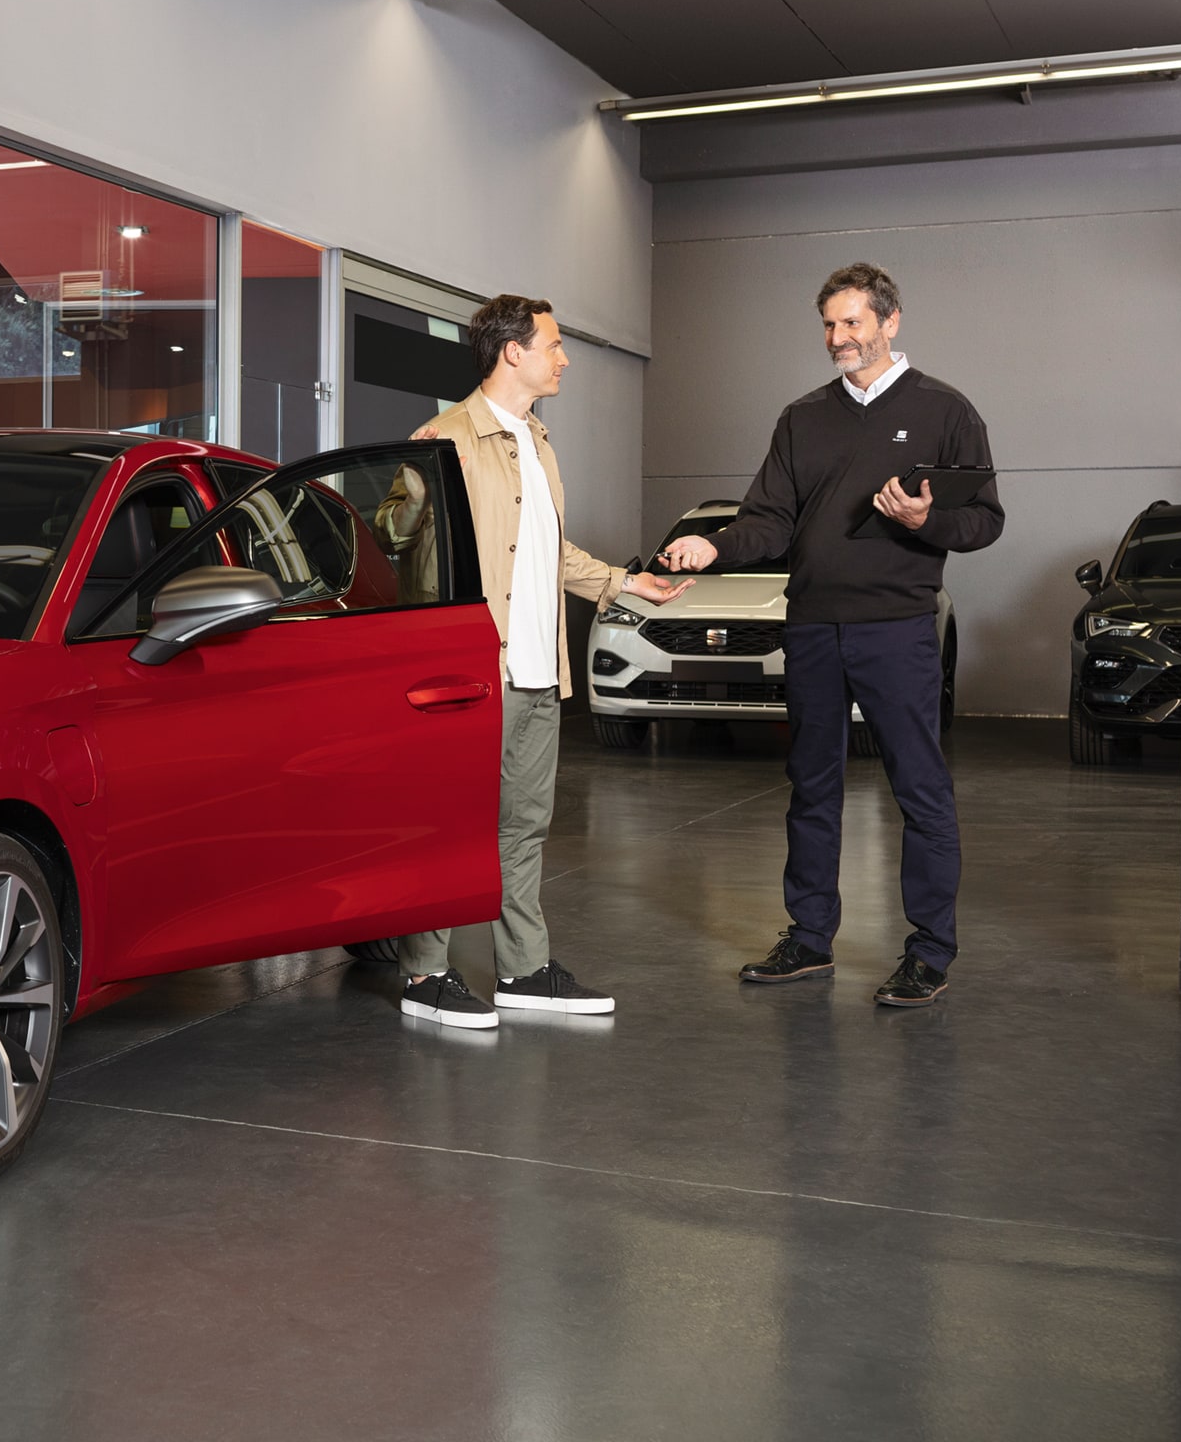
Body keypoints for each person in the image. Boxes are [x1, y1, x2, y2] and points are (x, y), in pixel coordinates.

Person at [657, 263, 1001, 1007]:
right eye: (828, 324)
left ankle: (929, 952)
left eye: (851, 322)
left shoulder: (946, 410)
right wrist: (713, 548)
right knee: (811, 787)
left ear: (891, 320)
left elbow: (983, 521)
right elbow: (769, 519)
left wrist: (924, 521)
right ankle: (809, 940)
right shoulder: (801, 417)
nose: (837, 338)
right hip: (812, 627)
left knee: (920, 790)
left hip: (897, 629)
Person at [385, 295, 694, 1029]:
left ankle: (522, 970)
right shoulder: (448, 435)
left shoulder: (537, 440)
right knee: (451, 822)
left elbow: (551, 554)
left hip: (534, 670)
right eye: (553, 345)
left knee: (522, 825)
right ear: (511, 352)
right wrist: (420, 471)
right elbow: (389, 535)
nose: (564, 358)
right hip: (469, 676)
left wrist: (625, 584)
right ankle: (424, 972)